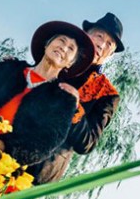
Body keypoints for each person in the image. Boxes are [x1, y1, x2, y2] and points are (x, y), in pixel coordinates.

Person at [0, 21, 95, 181]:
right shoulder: (8, 68)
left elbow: (46, 142)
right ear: (47, 44)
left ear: (70, 63)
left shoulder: (63, 100)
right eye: (61, 40)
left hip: (1, 173)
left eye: (71, 48)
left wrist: (0, 147)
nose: (64, 47)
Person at [35, 12, 125, 184]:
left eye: (109, 44)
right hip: (2, 150)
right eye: (99, 36)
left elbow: (87, 143)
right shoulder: (55, 58)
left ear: (111, 55)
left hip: (40, 171)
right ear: (85, 35)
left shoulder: (107, 93)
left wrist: (75, 108)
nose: (102, 44)